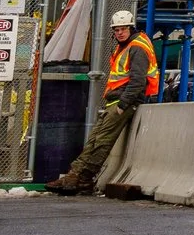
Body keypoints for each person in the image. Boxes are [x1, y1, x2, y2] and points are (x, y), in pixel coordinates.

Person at [49, 10, 160, 195]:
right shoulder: (125, 46)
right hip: (115, 101)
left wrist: (123, 104)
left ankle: (82, 179)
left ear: (131, 28)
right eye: (116, 30)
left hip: (123, 102)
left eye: (123, 29)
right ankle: (75, 175)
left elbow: (138, 81)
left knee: (102, 141)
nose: (119, 33)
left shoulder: (137, 47)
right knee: (93, 141)